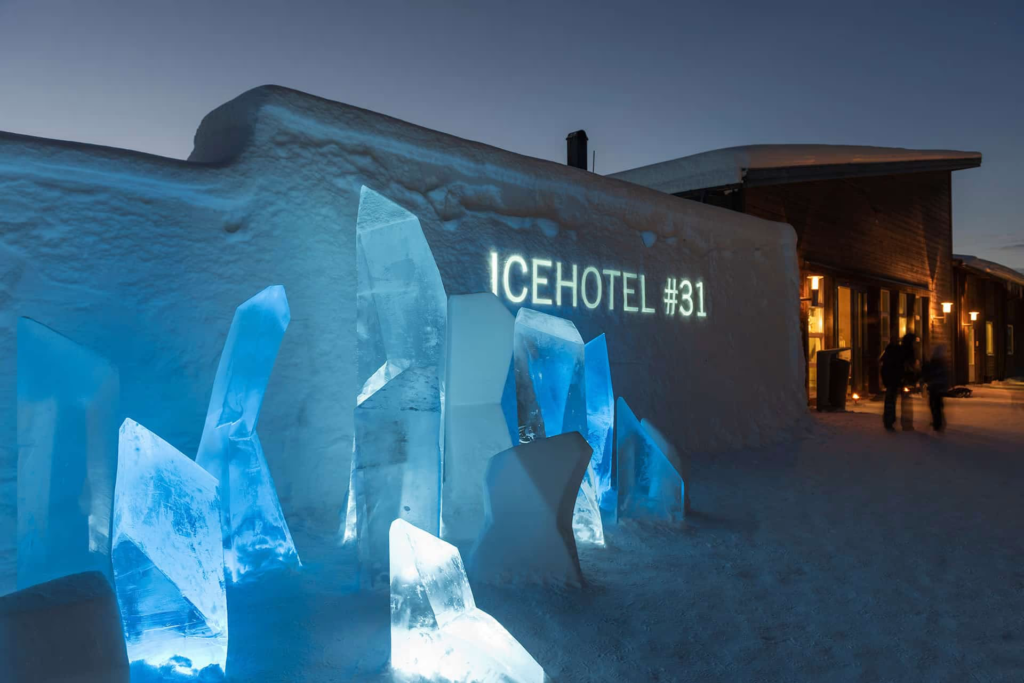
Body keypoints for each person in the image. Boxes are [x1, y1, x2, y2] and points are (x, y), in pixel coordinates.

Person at [921, 344, 949, 431]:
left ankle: (938, 423)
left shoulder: (935, 363)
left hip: (934, 387)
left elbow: (928, 373)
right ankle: (938, 422)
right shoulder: (940, 363)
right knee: (937, 405)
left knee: (934, 405)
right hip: (937, 387)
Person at [880, 339, 904, 430]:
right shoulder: (896, 359)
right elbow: (899, 370)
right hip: (894, 381)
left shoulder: (887, 357)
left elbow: (883, 370)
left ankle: (889, 420)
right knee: (891, 400)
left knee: (889, 400)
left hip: (890, 381)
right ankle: (889, 420)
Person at [899, 333, 918, 431]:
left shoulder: (906, 351)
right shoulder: (908, 352)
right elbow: (908, 366)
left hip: (906, 379)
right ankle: (907, 423)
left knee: (907, 401)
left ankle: (907, 423)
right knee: (907, 402)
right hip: (906, 379)